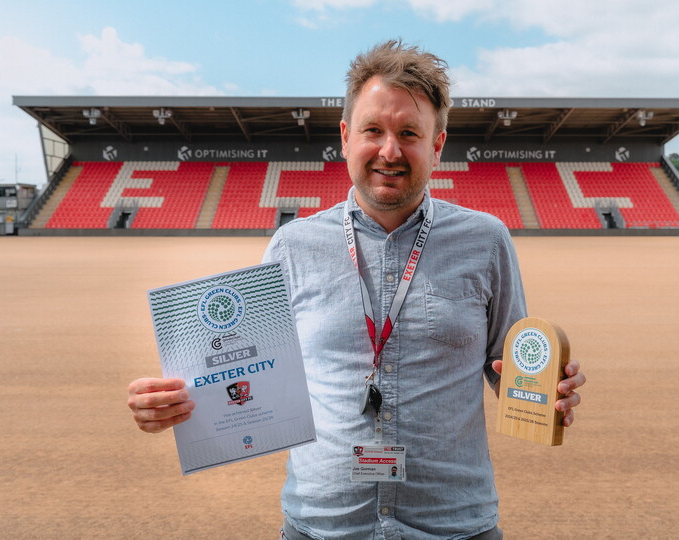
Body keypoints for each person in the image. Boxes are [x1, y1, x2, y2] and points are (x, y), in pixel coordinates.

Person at [127, 39, 585, 539]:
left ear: (437, 144)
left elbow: (506, 368)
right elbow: (247, 371)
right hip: (322, 526)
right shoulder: (291, 247)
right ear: (345, 136)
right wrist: (178, 404)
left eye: (409, 132)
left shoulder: (487, 240)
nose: (390, 150)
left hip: (453, 525)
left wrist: (543, 390)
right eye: (374, 130)